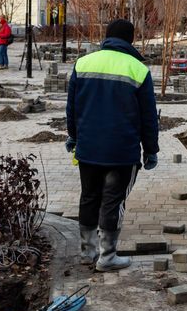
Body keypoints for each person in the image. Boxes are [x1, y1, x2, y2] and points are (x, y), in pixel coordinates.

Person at [66, 18, 159, 272]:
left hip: (88, 149)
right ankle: (107, 256)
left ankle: (88, 252)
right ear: (130, 40)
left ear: (107, 37)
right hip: (121, 151)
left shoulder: (83, 63)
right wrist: (151, 150)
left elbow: (72, 106)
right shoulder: (137, 69)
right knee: (113, 201)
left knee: (89, 197)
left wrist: (73, 136)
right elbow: (148, 116)